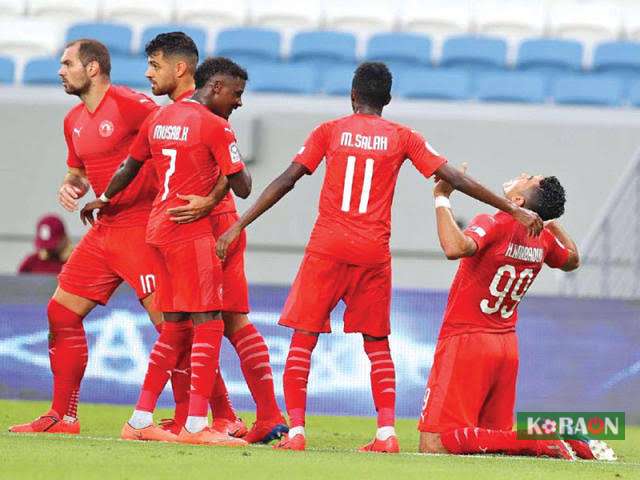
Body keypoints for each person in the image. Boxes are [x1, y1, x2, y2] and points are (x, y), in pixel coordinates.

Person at [215, 62, 543, 453]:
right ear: (387, 100)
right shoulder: (403, 136)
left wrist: (239, 225)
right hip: (373, 250)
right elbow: (455, 177)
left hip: (328, 246)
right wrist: (514, 210)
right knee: (376, 343)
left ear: (353, 96)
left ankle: (298, 432)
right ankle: (386, 434)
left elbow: (286, 179)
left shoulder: (329, 131)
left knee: (303, 339)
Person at [80, 57, 252, 446]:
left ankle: (140, 419)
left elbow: (129, 164)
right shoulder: (215, 125)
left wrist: (103, 197)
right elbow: (243, 186)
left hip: (158, 228)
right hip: (190, 231)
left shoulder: (159, 118)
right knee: (208, 323)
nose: (239, 103)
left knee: (174, 326)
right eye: (236, 94)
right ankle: (195, 425)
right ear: (216, 87)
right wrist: (220, 183)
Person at [9, 39, 162, 435]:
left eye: (67, 63)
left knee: (172, 325)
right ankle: (64, 416)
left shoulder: (133, 104)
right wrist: (70, 186)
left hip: (142, 226)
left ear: (93, 68)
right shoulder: (72, 120)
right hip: (103, 229)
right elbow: (78, 171)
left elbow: (175, 143)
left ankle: (199, 420)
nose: (60, 70)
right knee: (60, 312)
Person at [142, 32, 287, 442]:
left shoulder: (179, 118)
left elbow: (234, 178)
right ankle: (262, 415)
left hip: (200, 228)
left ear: (181, 69)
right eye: (237, 94)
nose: (240, 102)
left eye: (155, 66)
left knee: (189, 323)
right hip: (220, 223)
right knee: (231, 320)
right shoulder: (198, 118)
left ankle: (197, 418)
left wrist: (208, 201)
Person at [418, 167, 588, 460]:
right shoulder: (542, 240)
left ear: (520, 201)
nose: (523, 173)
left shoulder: (494, 222)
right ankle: (549, 435)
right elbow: (573, 260)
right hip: (506, 347)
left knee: (435, 444)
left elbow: (455, 247)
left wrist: (441, 197)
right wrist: (552, 226)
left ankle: (539, 439)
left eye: (528, 177)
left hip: (467, 340)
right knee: (492, 442)